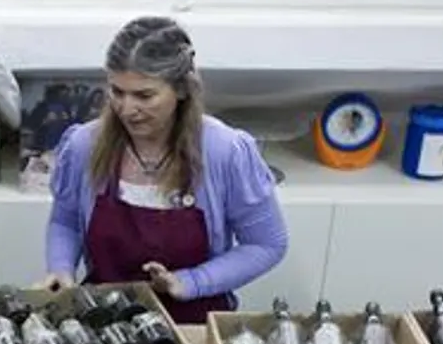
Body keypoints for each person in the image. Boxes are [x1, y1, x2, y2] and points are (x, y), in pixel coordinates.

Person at [41, 16, 288, 324]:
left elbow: (266, 244)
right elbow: (66, 221)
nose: (127, 109)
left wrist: (190, 282)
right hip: (107, 323)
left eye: (144, 95)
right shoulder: (84, 145)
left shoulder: (224, 151)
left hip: (194, 322)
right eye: (117, 92)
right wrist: (61, 269)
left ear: (182, 90)